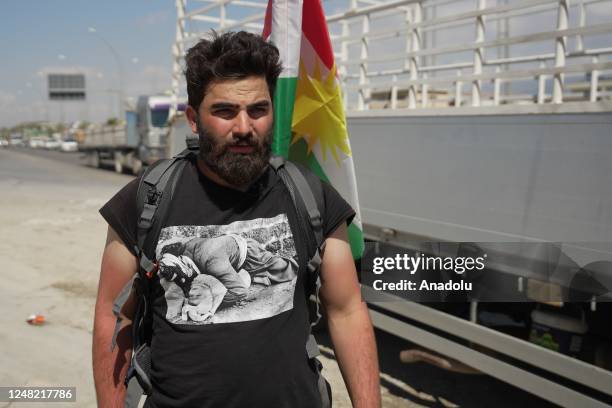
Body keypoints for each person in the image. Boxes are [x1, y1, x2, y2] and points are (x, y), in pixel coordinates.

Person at [92, 31, 381, 407]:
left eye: (258, 110)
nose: (244, 127)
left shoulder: (310, 194)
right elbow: (113, 320)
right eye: (225, 111)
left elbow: (347, 311)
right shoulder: (145, 199)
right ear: (194, 119)